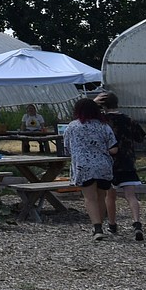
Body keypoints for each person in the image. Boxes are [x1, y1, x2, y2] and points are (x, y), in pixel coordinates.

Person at [63, 97, 117, 240]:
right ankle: (100, 224)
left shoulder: (72, 127)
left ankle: (97, 227)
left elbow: (67, 148)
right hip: (103, 164)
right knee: (101, 196)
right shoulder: (104, 126)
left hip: (83, 166)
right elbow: (113, 146)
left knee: (89, 197)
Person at [96, 92, 146, 240]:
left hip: (109, 162)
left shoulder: (102, 121)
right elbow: (140, 137)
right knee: (131, 196)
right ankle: (137, 223)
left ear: (103, 105)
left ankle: (112, 224)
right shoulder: (129, 119)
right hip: (127, 161)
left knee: (110, 196)